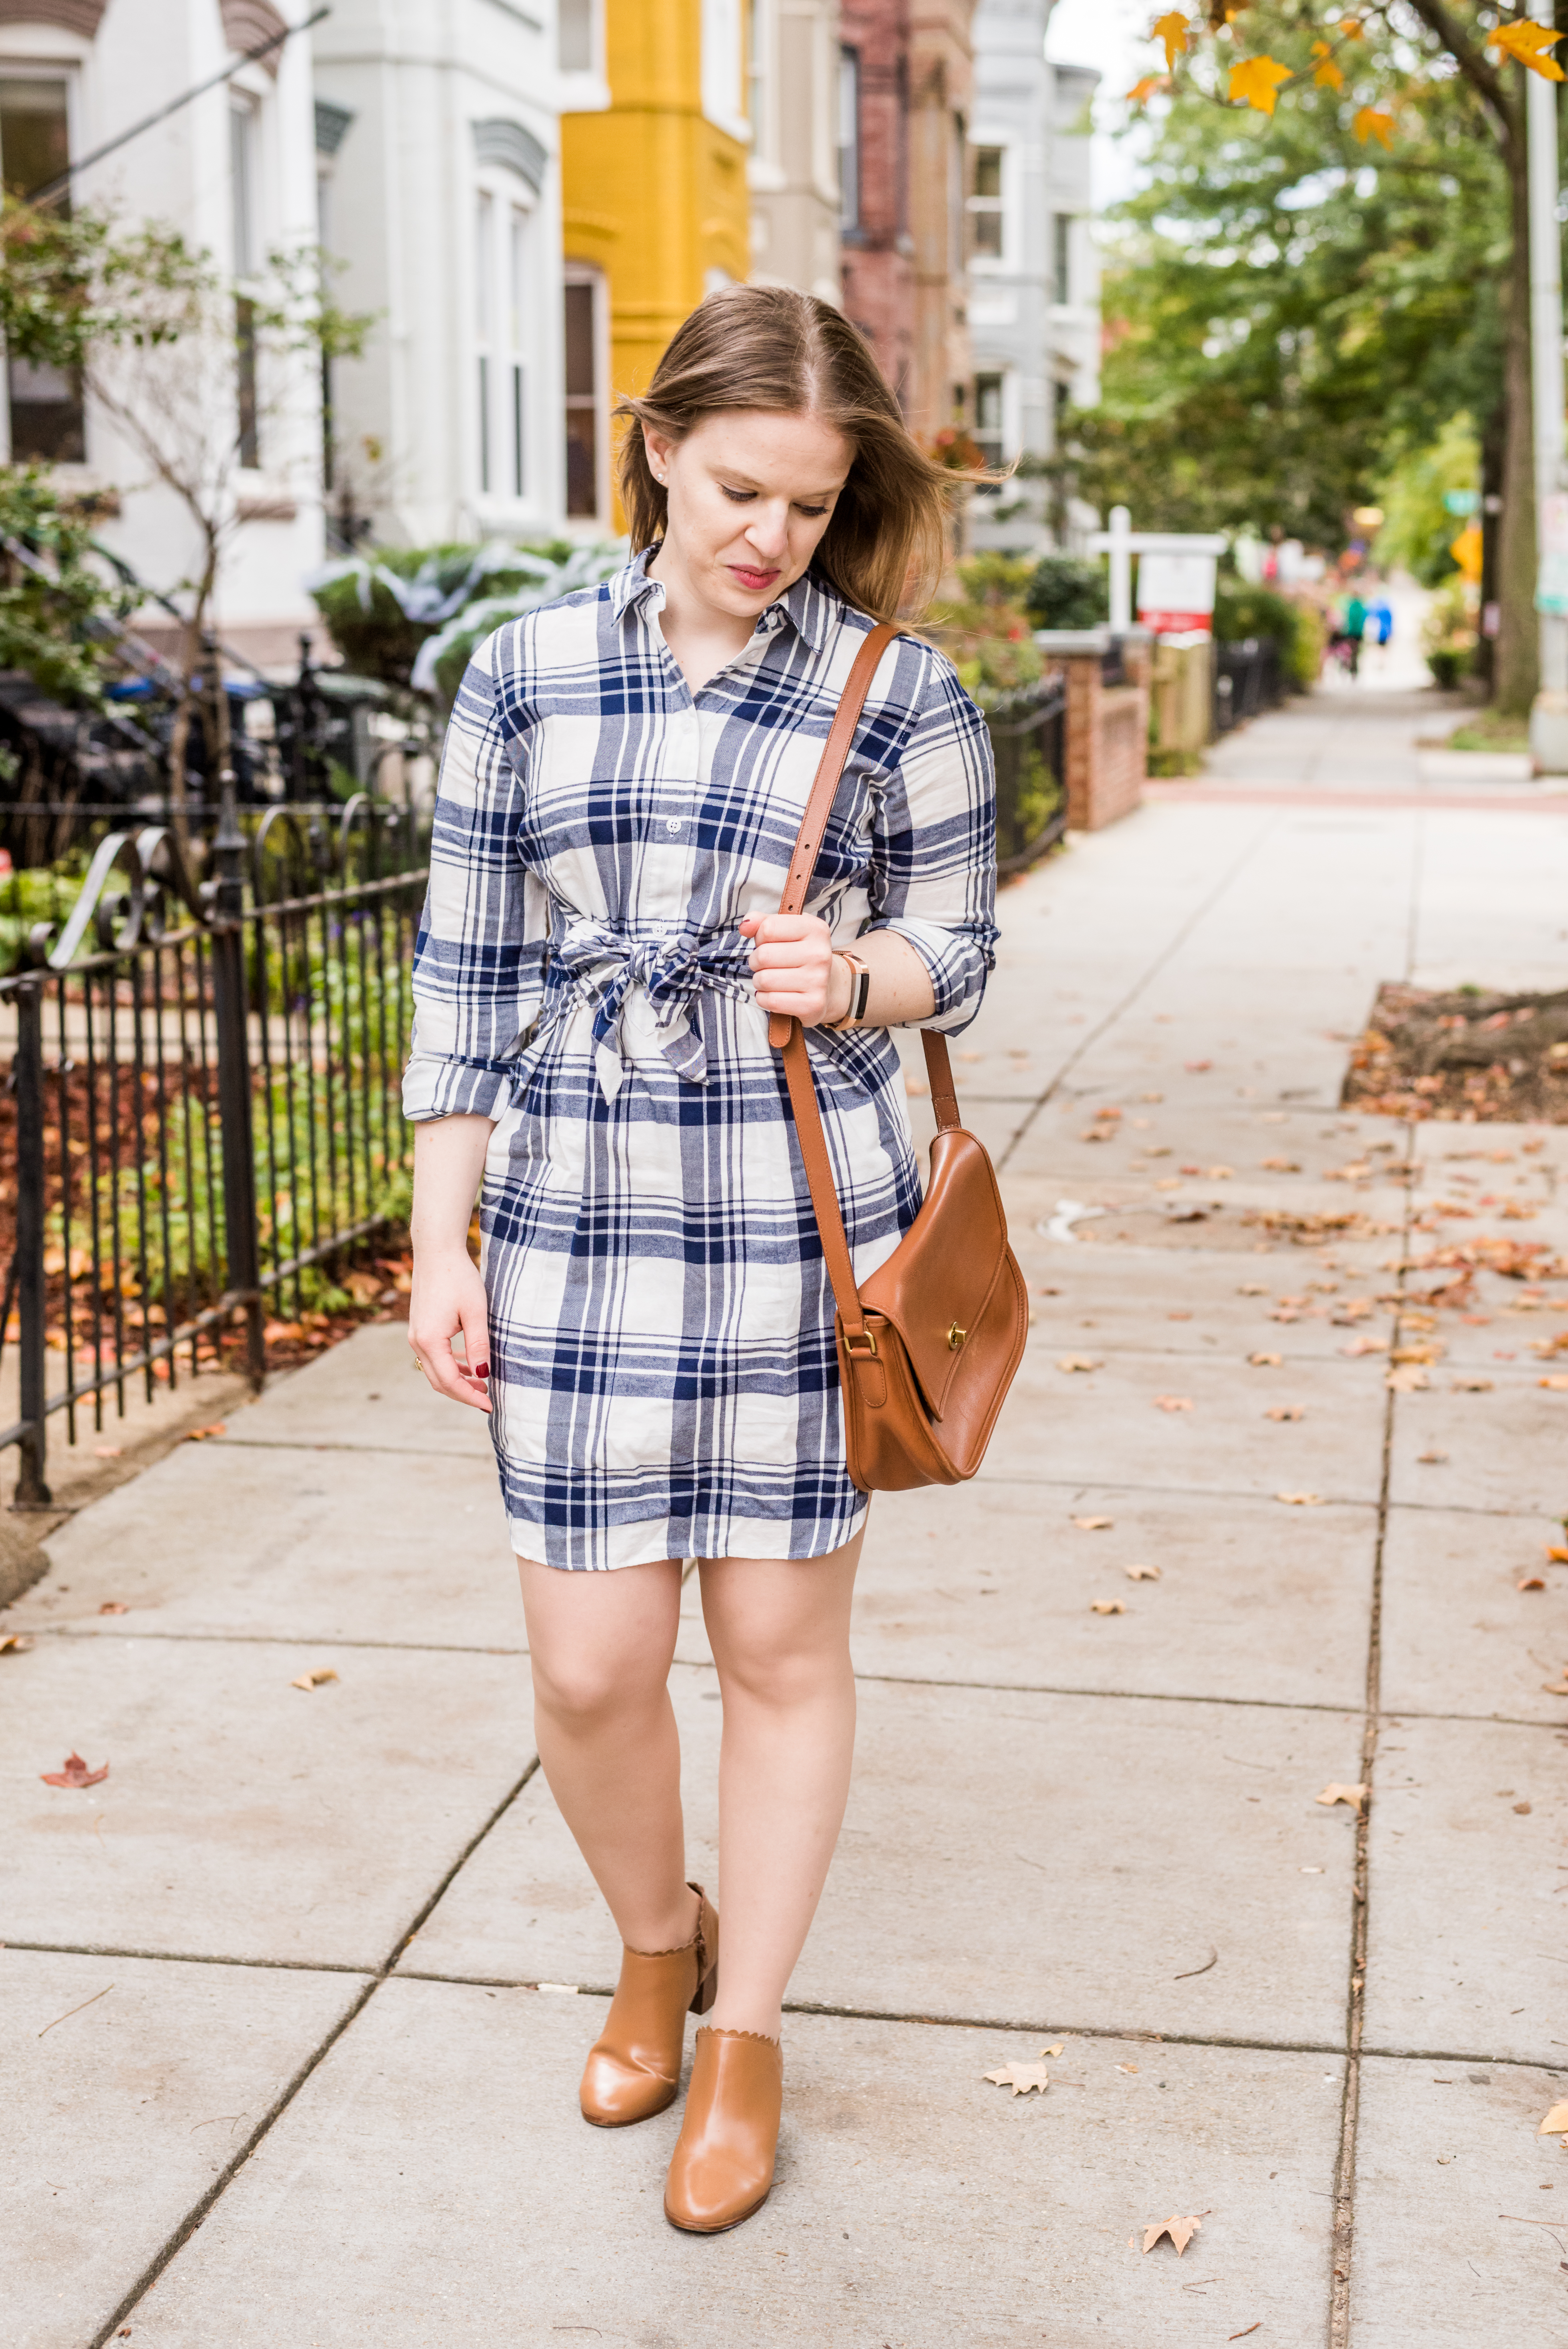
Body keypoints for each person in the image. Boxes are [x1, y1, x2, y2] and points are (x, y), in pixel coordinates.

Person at [404, 284, 997, 2235]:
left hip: (796, 1202)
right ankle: (654, 1938)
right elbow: (466, 970)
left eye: (810, 509)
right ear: (655, 446)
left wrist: (860, 967)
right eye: (738, 487)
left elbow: (959, 947)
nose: (769, 537)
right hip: (577, 1201)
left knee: (773, 1647)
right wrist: (442, 1237)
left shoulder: (895, 689)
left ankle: (737, 2034)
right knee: (586, 1667)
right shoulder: (522, 672)